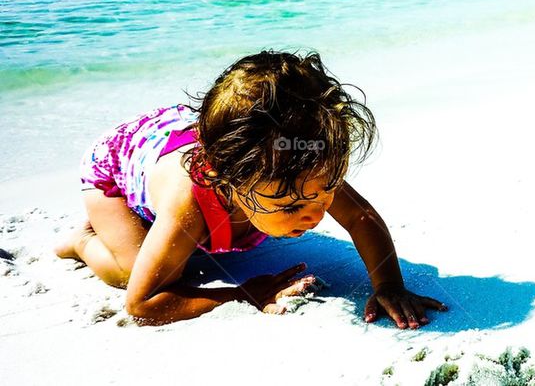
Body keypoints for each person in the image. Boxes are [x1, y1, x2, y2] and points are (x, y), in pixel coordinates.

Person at [54, 50, 447, 327]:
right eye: (288, 205)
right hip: (116, 170)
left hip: (201, 140)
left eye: (323, 194)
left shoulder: (297, 163)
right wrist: (245, 293)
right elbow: (142, 305)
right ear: (227, 181)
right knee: (129, 271)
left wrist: (389, 284)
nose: (314, 214)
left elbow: (361, 218)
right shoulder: (188, 202)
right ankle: (83, 240)